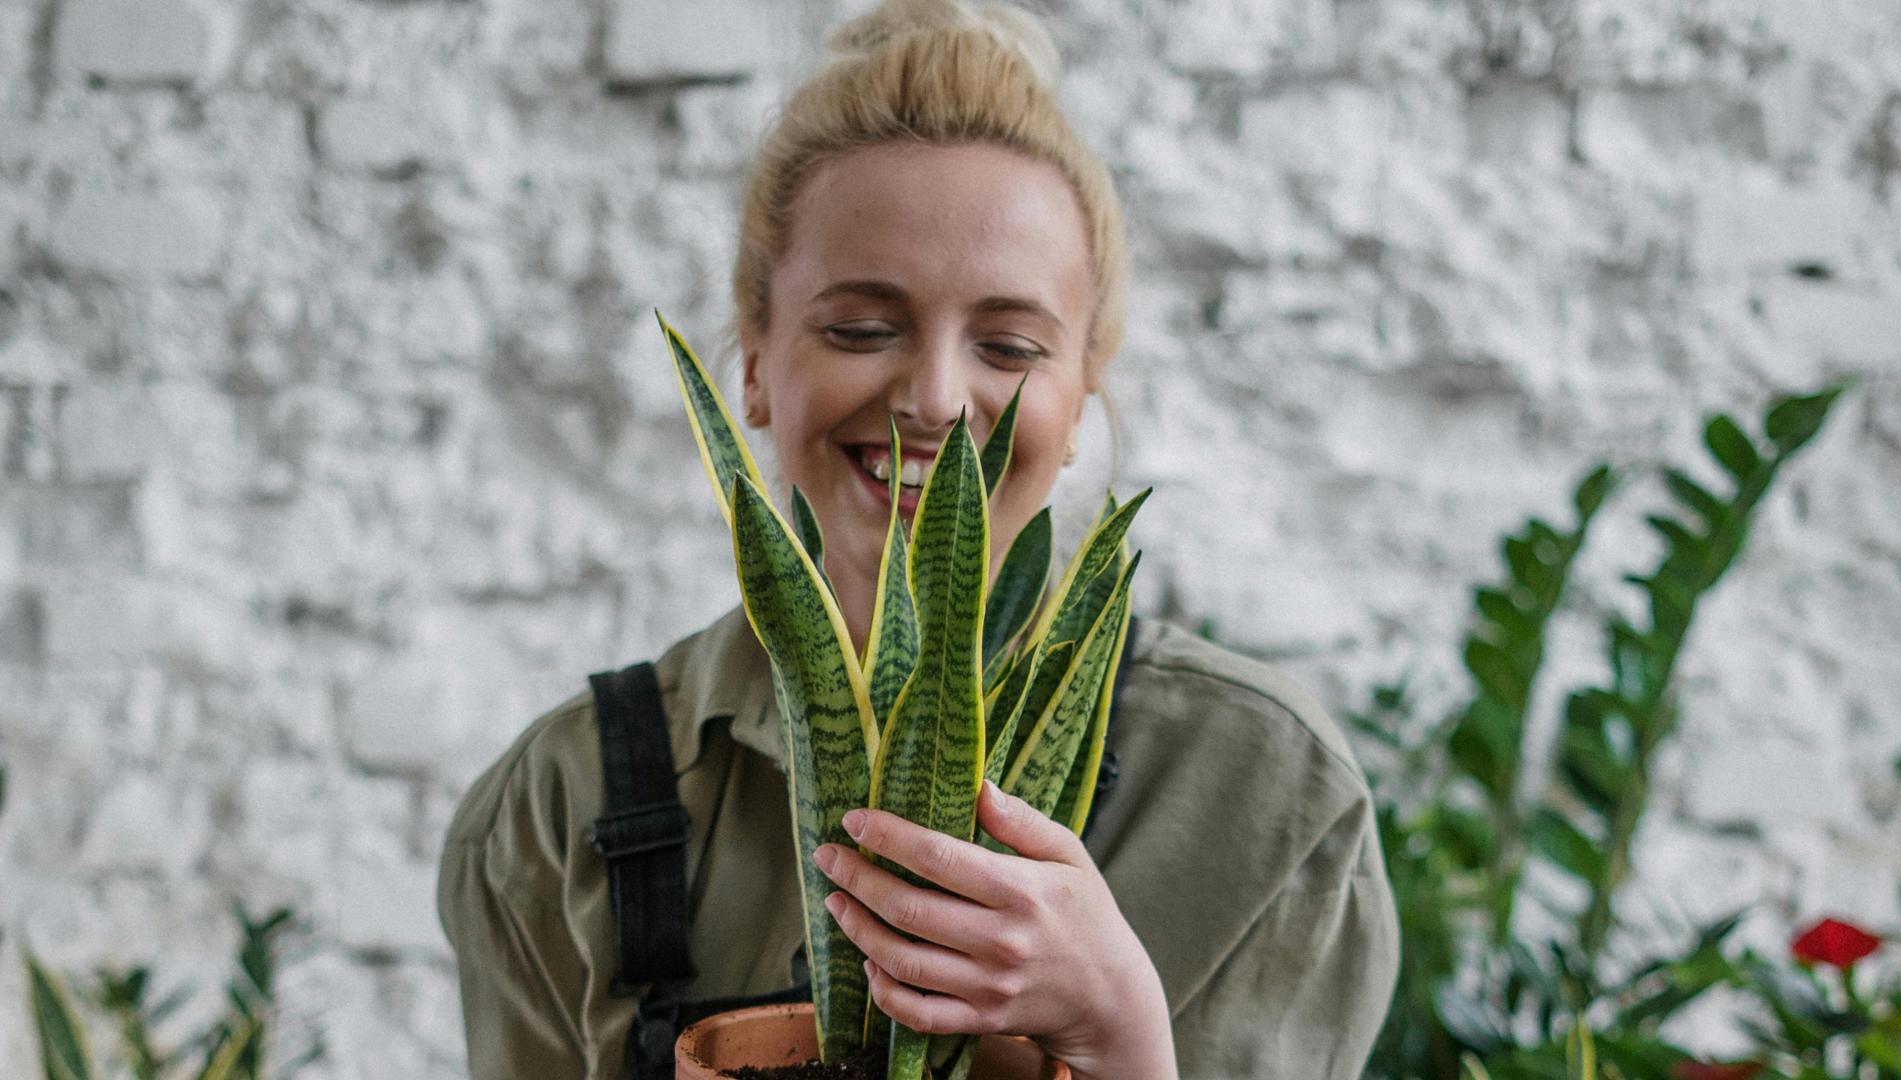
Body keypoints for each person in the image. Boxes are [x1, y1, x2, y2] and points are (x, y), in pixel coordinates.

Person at [436, 2, 1399, 1078]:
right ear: (754, 361)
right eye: (860, 328)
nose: (935, 399)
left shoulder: (1260, 794)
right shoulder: (557, 809)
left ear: (1080, 397)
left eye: (1009, 345)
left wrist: (1123, 1032)